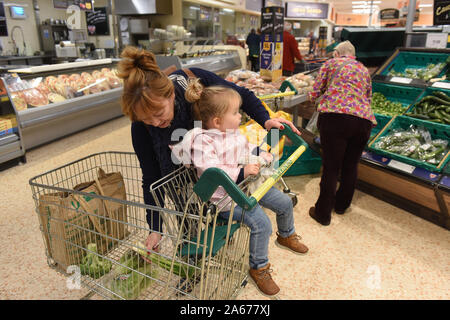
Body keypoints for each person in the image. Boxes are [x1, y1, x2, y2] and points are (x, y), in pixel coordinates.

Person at [116, 46, 301, 270]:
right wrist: (155, 228)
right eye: (146, 119)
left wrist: (266, 120)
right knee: (190, 230)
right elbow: (151, 178)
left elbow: (242, 95)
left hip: (223, 167)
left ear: (171, 94)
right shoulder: (141, 128)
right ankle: (192, 270)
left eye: (158, 114)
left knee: (231, 213)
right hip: (180, 182)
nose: (155, 123)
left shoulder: (194, 80)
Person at [170, 80, 308, 297]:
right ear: (217, 121)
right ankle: (259, 267)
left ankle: (286, 234)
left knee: (283, 202)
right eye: (235, 113)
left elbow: (243, 152)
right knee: (261, 224)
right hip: (226, 198)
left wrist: (259, 157)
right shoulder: (202, 142)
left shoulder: (232, 133)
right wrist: (242, 173)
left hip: (248, 187)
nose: (240, 117)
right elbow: (211, 171)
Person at [308, 41, 376, 226]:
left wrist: (318, 95)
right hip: (363, 121)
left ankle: (323, 213)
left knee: (331, 167)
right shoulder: (363, 69)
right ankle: (341, 206)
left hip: (336, 119)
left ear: (337, 53)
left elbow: (314, 93)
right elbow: (369, 97)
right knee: (350, 165)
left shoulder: (330, 64)